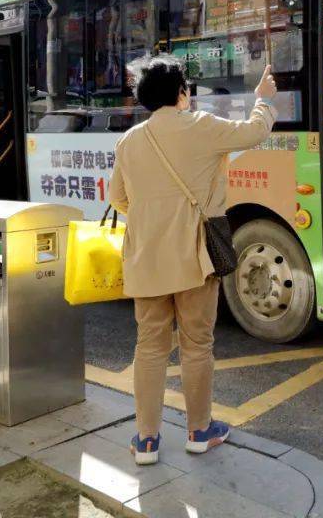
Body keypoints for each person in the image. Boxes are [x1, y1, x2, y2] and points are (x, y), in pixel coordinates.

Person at [108, 55, 277, 465]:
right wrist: (263, 99)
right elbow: (255, 131)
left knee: (149, 347)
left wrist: (153, 219)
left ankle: (146, 440)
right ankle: (200, 431)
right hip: (195, 257)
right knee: (197, 345)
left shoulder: (129, 141)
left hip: (146, 259)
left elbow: (118, 199)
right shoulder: (200, 126)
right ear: (182, 93)